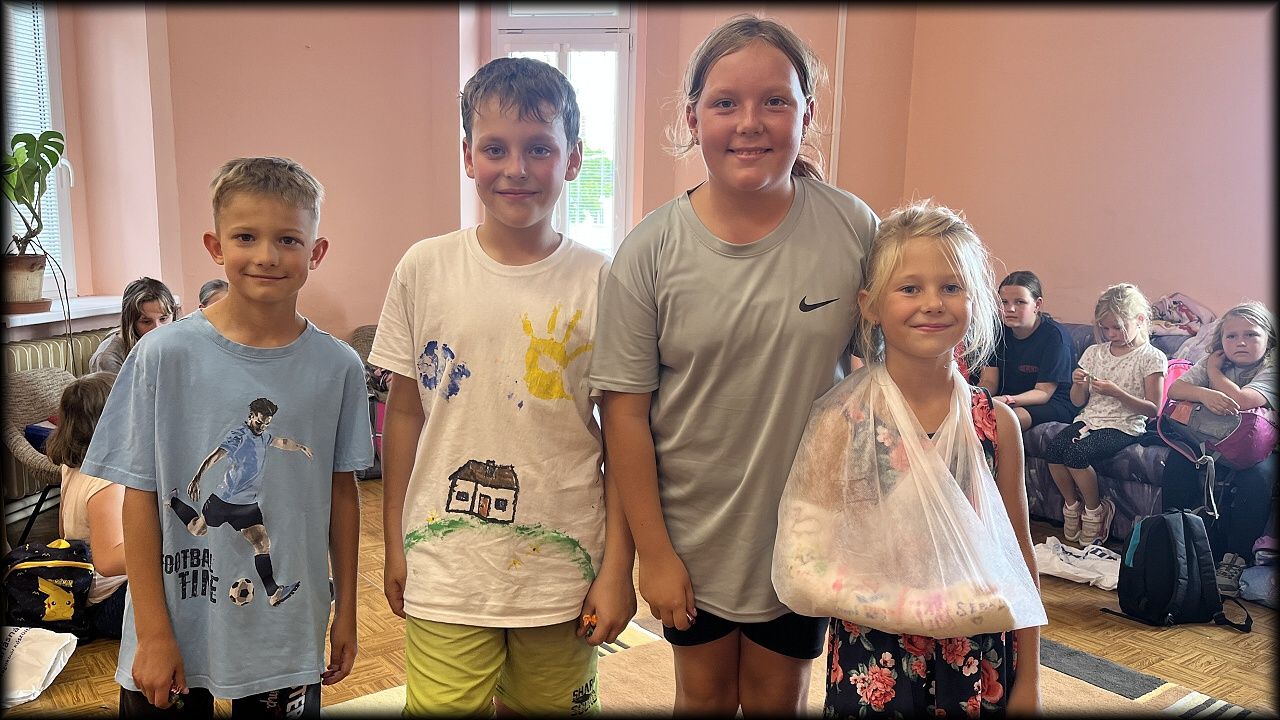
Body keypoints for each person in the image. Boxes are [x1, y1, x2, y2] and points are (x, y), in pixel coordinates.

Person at [588, 15, 879, 715]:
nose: (750, 122)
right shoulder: (649, 251)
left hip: (806, 534)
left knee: (780, 698)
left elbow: (886, 380)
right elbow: (623, 416)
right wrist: (652, 553)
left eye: (775, 100)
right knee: (704, 696)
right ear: (692, 118)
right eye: (725, 103)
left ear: (808, 113)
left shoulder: (853, 228)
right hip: (691, 539)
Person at [368, 57, 635, 717]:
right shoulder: (424, 268)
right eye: (495, 149)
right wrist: (397, 539)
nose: (516, 168)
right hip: (446, 565)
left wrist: (617, 569)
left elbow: (623, 437)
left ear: (573, 159)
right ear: (468, 156)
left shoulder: (604, 280)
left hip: (563, 569)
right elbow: (404, 415)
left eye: (539, 147)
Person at [80, 156, 372, 717]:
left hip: (284, 635)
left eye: (288, 239)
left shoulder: (338, 367)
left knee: (252, 539)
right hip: (174, 624)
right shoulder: (162, 356)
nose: (267, 255)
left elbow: (342, 494)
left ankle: (255, 569)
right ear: (215, 246)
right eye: (246, 237)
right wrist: (153, 633)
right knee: (203, 520)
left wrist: (347, 613)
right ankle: (191, 511)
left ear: (316, 252)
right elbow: (137, 496)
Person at [786, 200, 1044, 717]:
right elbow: (810, 550)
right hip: (873, 654)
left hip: (978, 654)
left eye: (951, 287)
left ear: (976, 302)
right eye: (909, 288)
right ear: (870, 305)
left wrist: (1031, 679)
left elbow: (1017, 553)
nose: (932, 304)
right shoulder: (843, 421)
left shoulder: (996, 424)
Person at [1161, 300, 1277, 596]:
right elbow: (1175, 389)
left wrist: (1214, 372)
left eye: (1251, 335)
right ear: (1221, 340)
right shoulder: (1213, 359)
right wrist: (1203, 392)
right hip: (1213, 440)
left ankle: (1235, 558)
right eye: (1231, 336)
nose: (1241, 342)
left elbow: (1242, 400)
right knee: (1178, 461)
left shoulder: (1271, 366)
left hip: (1258, 451)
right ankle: (1175, 544)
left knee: (1257, 478)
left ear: (1268, 338)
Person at [1045, 282, 1166, 547]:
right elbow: (1078, 401)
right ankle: (1072, 505)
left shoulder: (1151, 357)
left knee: (1076, 455)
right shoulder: (1094, 353)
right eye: (1105, 328)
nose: (1111, 334)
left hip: (1125, 425)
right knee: (1053, 451)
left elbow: (1152, 409)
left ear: (1140, 320)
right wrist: (1078, 384)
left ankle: (1095, 511)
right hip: (1089, 419)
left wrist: (1118, 393)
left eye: (1118, 327)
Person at [45, 371, 128, 640]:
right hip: (108, 602)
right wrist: (165, 546)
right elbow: (108, 562)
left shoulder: (72, 467)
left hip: (86, 593)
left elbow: (64, 533)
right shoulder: (106, 482)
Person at [979, 270, 1079, 430]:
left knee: (1009, 419)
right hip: (1008, 397)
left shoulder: (1055, 337)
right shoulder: (996, 331)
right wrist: (977, 398)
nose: (1010, 309)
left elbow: (1043, 393)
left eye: (1020, 302)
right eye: (1004, 302)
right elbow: (989, 381)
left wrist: (1006, 400)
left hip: (1051, 400)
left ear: (1037, 304)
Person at [88, 277, 177, 374]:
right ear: (131, 323)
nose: (157, 329)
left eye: (163, 319)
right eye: (146, 321)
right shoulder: (109, 359)